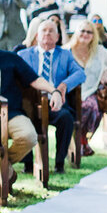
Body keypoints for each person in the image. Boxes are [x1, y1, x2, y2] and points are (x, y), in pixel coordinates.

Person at [17, 17, 86, 174]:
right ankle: (28, 164)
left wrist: (64, 85)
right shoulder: (23, 55)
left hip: (55, 104)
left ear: (57, 37)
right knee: (24, 117)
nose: (47, 33)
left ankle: (59, 163)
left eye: (51, 31)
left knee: (66, 118)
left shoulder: (65, 55)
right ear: (37, 35)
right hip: (30, 103)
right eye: (44, 30)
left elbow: (80, 73)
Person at [0, 43, 65, 188]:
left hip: (11, 113)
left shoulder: (10, 58)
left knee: (28, 136)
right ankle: (5, 171)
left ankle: (0, 166)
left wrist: (54, 91)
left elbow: (34, 79)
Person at [64, 19, 107, 156]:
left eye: (89, 32)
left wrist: (106, 72)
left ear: (94, 35)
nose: (85, 34)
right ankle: (76, 141)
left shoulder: (100, 51)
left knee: (94, 106)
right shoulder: (66, 51)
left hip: (91, 90)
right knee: (85, 106)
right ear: (77, 32)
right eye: (82, 31)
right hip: (69, 92)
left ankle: (82, 140)